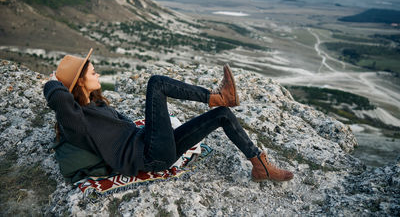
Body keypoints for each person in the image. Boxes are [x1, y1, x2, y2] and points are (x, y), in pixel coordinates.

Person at [43, 48, 294, 182]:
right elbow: (59, 99)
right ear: (79, 83)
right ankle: (215, 95)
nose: (98, 75)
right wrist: (53, 82)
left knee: (223, 115)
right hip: (151, 155)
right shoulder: (76, 122)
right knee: (156, 84)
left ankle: (259, 166)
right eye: (93, 72)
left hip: (156, 147)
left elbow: (127, 129)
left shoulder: (97, 107)